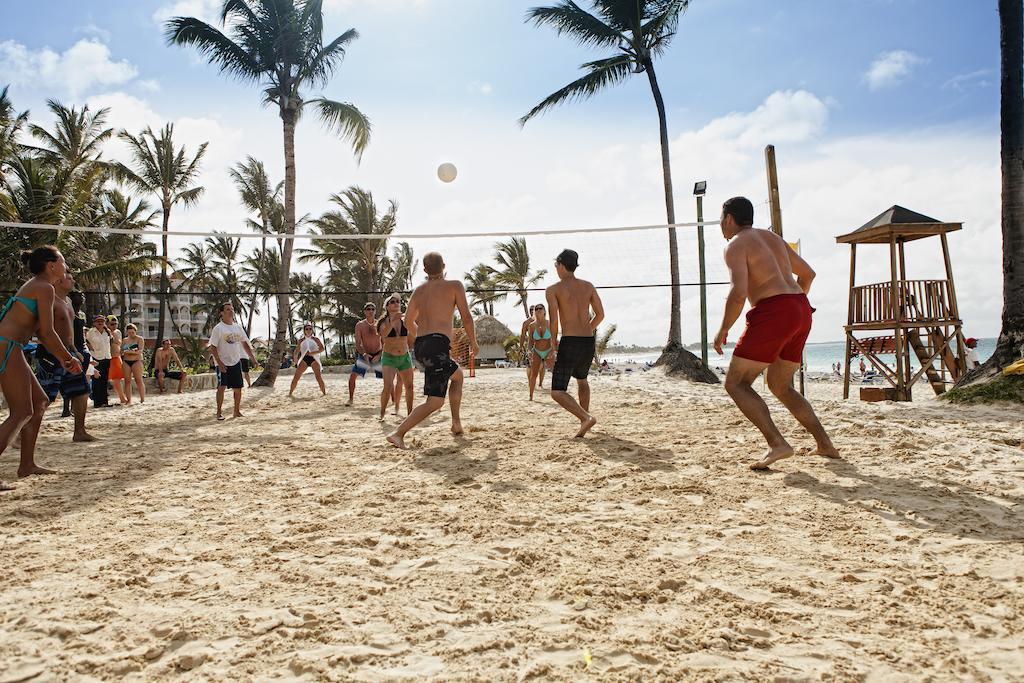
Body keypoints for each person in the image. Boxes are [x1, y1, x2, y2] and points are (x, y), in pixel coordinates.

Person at [713, 196, 839, 471]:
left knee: (736, 383)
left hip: (774, 310)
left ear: (729, 219)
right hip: (801, 308)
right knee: (780, 385)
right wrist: (793, 308)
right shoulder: (772, 238)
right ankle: (825, 444)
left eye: (720, 220)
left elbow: (738, 292)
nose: (720, 226)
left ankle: (776, 443)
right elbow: (809, 274)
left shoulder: (735, 245)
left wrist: (724, 328)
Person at [0, 247, 83, 490]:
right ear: (51, 265)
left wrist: (66, 357)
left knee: (38, 403)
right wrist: (68, 359)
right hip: (6, 346)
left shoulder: (40, 287)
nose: (65, 266)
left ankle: (27, 464)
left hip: (11, 346)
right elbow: (47, 333)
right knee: (21, 411)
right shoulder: (44, 287)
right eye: (63, 261)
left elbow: (43, 333)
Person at [386, 252, 478, 449]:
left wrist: (423, 337)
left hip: (422, 346)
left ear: (425, 270)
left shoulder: (419, 291)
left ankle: (456, 424)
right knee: (435, 402)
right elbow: (467, 318)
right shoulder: (455, 286)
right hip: (437, 345)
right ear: (444, 265)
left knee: (457, 376)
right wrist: (473, 342)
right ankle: (398, 433)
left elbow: (407, 321)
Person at [546, 249, 603, 438]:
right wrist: (587, 328)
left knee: (557, 391)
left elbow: (554, 322)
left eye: (556, 264)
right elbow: (600, 314)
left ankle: (586, 417)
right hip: (588, 341)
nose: (555, 268)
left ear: (561, 265)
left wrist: (553, 347)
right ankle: (584, 421)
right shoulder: (588, 286)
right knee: (582, 380)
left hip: (570, 341)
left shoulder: (554, 290)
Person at [34, 270, 94, 443]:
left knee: (81, 391)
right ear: (59, 281)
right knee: (44, 398)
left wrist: (74, 350)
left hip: (68, 354)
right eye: (69, 278)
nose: (73, 280)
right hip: (50, 354)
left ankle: (79, 432)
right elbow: (43, 330)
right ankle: (21, 435)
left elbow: (68, 332)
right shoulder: (48, 299)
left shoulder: (67, 301)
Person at [208, 302, 256, 421]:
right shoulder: (218, 328)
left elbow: (244, 344)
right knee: (222, 387)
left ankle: (236, 411)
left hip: (236, 361)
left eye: (232, 309)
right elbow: (212, 347)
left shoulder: (237, 327)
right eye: (228, 309)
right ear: (222, 313)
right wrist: (219, 362)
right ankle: (219, 412)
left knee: (238, 388)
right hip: (222, 362)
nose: (231, 311)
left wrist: (253, 358)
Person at [378, 294, 415, 419]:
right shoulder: (384, 322)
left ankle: (410, 414)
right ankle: (382, 412)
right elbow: (383, 334)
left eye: (398, 301)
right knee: (388, 386)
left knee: (409, 386)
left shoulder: (406, 320)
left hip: (404, 357)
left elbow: (416, 332)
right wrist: (393, 321)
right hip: (389, 357)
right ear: (387, 307)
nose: (396, 303)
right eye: (392, 302)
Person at [347, 302, 383, 407]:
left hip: (378, 354)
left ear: (375, 311)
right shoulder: (360, 325)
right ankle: (350, 399)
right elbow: (358, 343)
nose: (370, 311)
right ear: (365, 311)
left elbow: (385, 343)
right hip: (364, 355)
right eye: (368, 309)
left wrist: (379, 355)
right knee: (353, 377)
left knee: (388, 378)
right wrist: (364, 354)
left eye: (372, 309)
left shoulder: (380, 324)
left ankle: (393, 401)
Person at [61, 291, 89, 418]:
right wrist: (74, 350)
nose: (81, 298)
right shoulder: (68, 312)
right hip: (73, 348)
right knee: (70, 379)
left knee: (78, 380)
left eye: (82, 296)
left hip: (82, 348)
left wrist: (86, 347)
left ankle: (72, 408)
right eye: (78, 296)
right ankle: (66, 409)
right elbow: (68, 334)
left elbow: (82, 333)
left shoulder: (81, 314)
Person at [289, 324, 327, 397]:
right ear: (304, 331)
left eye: (310, 329)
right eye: (307, 329)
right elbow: (297, 350)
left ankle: (324, 393)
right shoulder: (301, 340)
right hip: (304, 359)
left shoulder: (316, 339)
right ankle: (290, 393)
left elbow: (322, 349)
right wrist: (295, 358)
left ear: (312, 330)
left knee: (318, 377)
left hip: (314, 359)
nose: (308, 330)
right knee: (296, 377)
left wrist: (313, 353)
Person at [527, 302, 554, 401]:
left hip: (548, 350)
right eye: (536, 309)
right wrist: (529, 351)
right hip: (537, 351)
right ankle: (531, 396)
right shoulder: (531, 325)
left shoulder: (549, 323)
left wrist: (552, 350)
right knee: (533, 374)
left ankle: (558, 393)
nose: (538, 310)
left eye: (540, 308)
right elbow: (530, 341)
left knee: (554, 372)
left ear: (544, 311)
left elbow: (553, 339)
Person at [85, 315, 112, 408]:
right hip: (96, 358)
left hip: (106, 357)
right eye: (98, 321)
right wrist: (89, 346)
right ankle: (97, 402)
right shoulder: (91, 332)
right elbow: (85, 341)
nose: (100, 323)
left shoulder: (107, 332)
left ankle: (104, 401)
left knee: (104, 380)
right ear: (94, 323)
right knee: (96, 381)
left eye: (102, 321)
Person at [520, 305, 545, 388]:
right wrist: (520, 347)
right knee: (529, 366)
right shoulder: (526, 323)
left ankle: (540, 383)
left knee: (542, 365)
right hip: (531, 346)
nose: (533, 311)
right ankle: (530, 382)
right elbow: (522, 336)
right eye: (533, 310)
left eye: (538, 309)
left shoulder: (543, 321)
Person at [106, 315, 128, 405]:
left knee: (117, 379)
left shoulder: (117, 332)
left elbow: (118, 342)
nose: (114, 326)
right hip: (107, 357)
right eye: (112, 324)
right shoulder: (104, 332)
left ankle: (122, 397)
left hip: (116, 357)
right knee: (113, 379)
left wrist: (111, 333)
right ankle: (121, 398)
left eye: (115, 324)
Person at [121, 323, 145, 404]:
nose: (131, 334)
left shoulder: (139, 339)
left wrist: (130, 352)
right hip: (126, 361)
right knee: (127, 381)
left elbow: (140, 351)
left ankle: (142, 399)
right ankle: (129, 400)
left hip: (136, 361)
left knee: (138, 380)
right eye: (129, 332)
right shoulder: (125, 340)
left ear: (135, 331)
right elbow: (122, 351)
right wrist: (128, 352)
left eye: (132, 332)